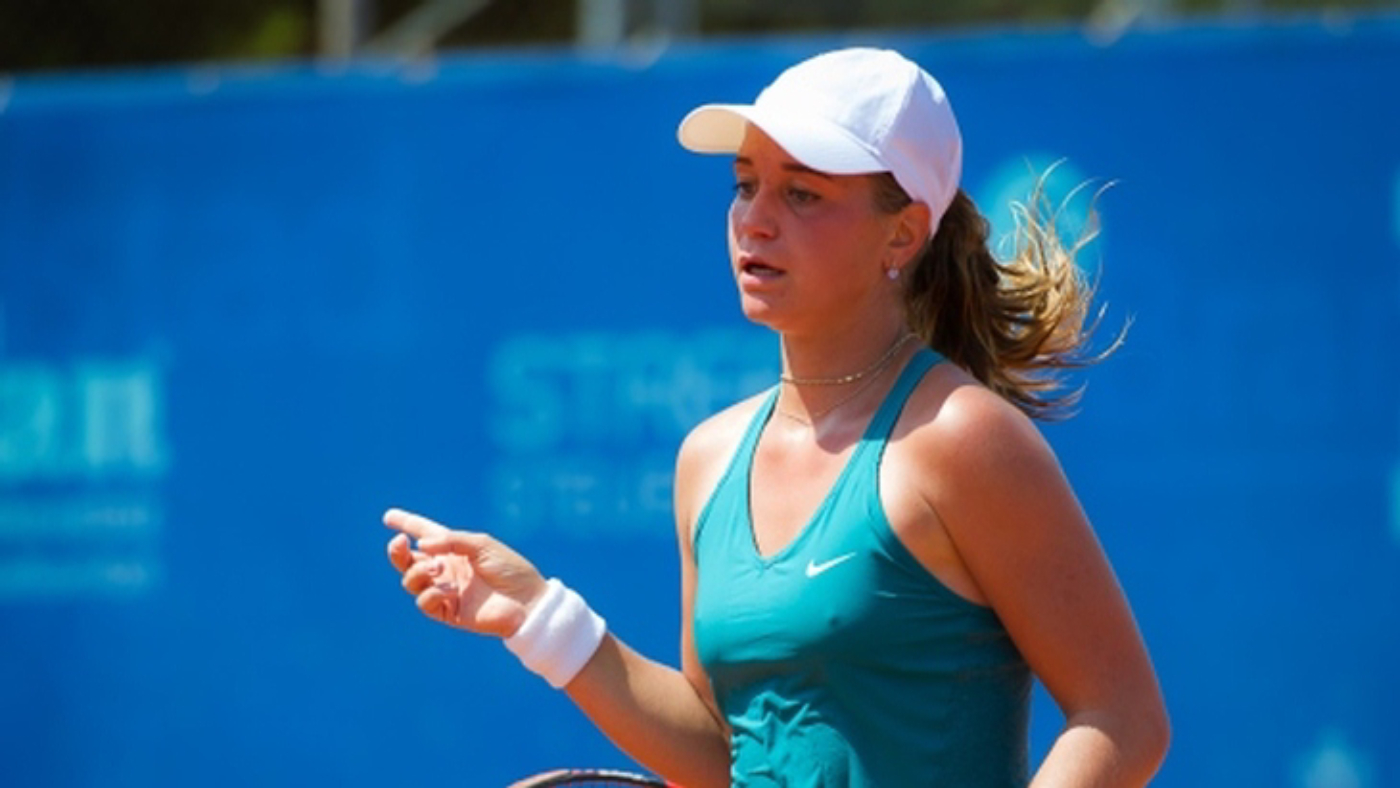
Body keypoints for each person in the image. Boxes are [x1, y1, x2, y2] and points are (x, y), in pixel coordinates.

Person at [384, 47, 1169, 787]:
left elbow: (1123, 717)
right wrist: (540, 619)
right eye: (744, 185)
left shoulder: (961, 439)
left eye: (802, 193)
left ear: (902, 232)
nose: (754, 220)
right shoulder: (708, 458)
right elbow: (720, 750)